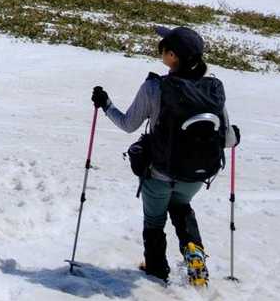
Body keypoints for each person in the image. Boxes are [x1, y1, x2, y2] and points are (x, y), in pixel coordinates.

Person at [93, 25, 239, 286]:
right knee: (181, 206)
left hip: (159, 172)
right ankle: (193, 250)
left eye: (164, 48)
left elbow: (128, 124)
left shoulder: (154, 88)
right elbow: (228, 139)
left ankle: (156, 272)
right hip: (195, 176)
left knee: (154, 221)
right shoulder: (212, 90)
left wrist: (106, 104)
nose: (160, 50)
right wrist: (235, 134)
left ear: (172, 56)